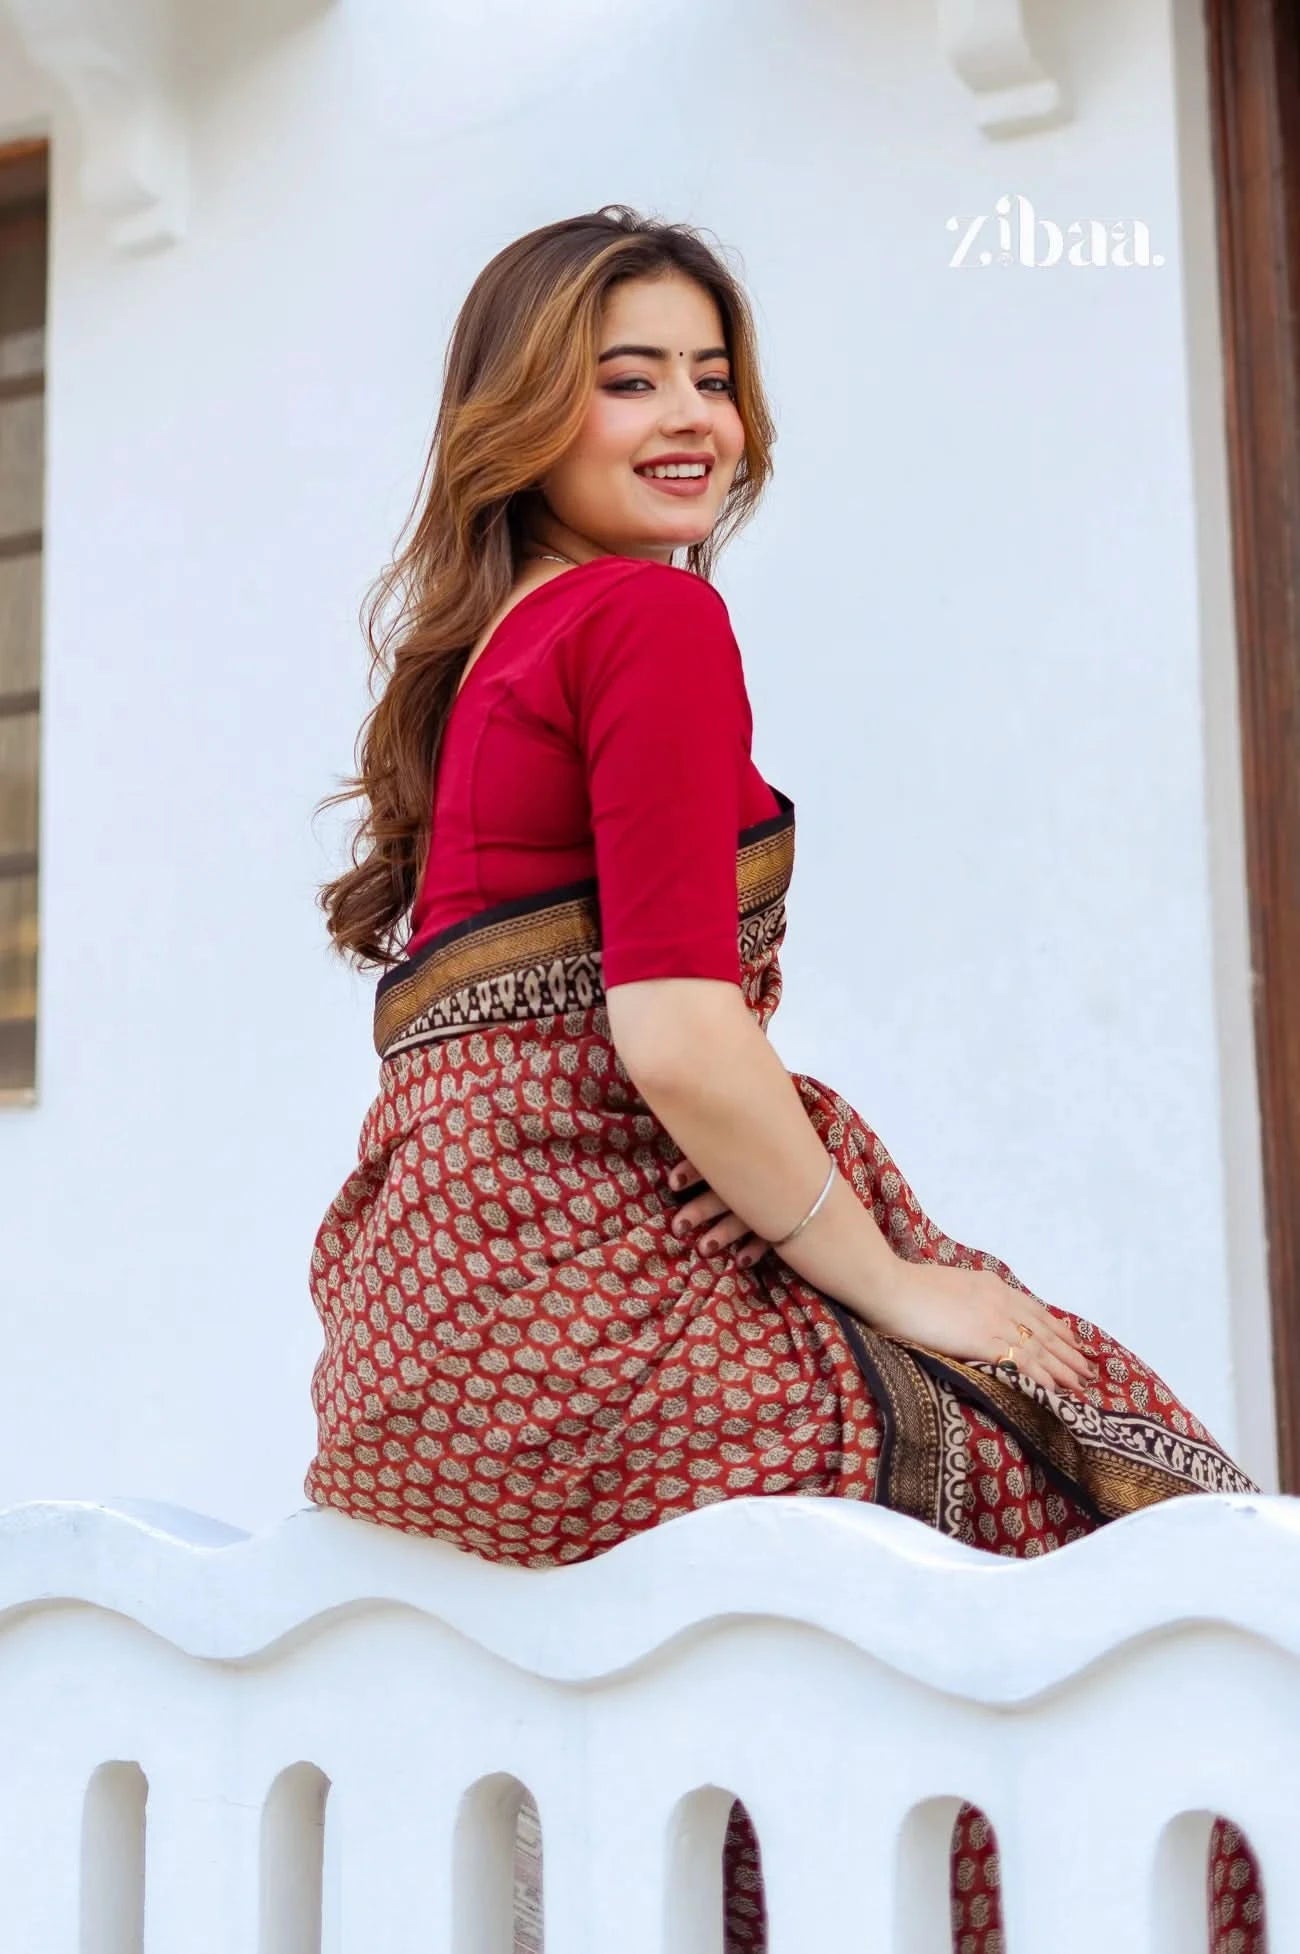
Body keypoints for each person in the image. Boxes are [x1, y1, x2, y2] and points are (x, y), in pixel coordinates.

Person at [306, 205, 1265, 1954]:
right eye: (626, 380)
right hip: (590, 1313)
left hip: (425, 1351)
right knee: (1093, 1493)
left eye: (714, 376)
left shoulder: (484, 651)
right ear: (522, 411)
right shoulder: (646, 628)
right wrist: (895, 1274)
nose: (691, 417)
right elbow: (674, 1031)